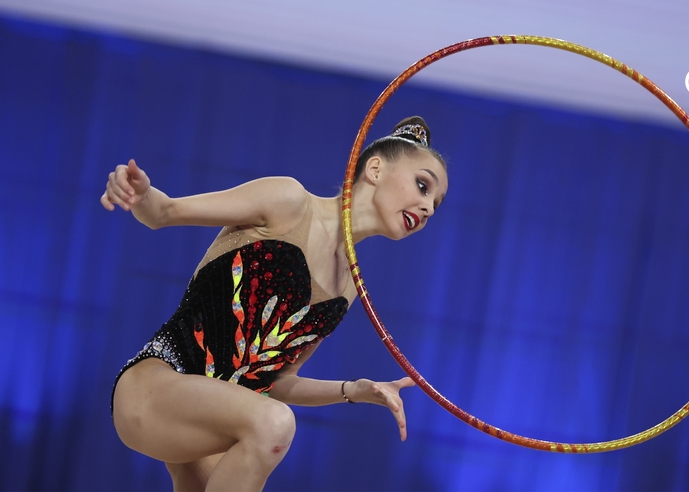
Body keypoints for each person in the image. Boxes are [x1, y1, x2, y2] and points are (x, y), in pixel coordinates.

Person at [101, 116, 448, 491]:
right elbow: (163, 212)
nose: (428, 207)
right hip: (155, 389)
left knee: (270, 425)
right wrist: (137, 192)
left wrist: (352, 390)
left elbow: (278, 383)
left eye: (436, 202)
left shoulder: (346, 289)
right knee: (274, 424)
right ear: (375, 169)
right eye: (423, 184)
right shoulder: (289, 202)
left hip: (212, 427)